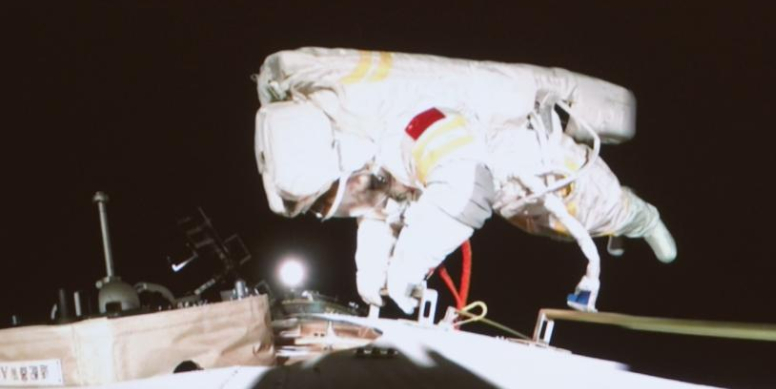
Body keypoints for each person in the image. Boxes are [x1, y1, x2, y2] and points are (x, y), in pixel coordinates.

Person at [254, 48, 676, 313]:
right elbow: (384, 210)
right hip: (509, 192)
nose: (336, 208)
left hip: (540, 163)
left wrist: (407, 268)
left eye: (329, 197)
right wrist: (372, 274)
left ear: (343, 161)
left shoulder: (416, 125)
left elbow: (465, 186)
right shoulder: (371, 151)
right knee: (551, 227)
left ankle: (643, 218)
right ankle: (624, 225)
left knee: (600, 208)